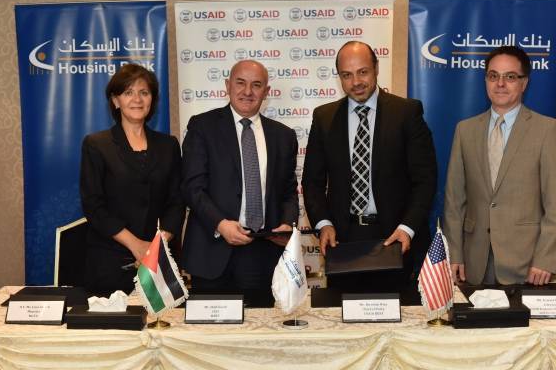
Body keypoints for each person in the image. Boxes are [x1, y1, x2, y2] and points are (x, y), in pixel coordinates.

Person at [302, 41, 437, 290]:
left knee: (395, 312)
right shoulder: (324, 117)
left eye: (362, 72)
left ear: (376, 68)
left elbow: (425, 179)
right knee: (344, 312)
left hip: (395, 240)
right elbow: (312, 182)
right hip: (342, 242)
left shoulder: (407, 112)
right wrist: (323, 224)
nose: (356, 82)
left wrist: (407, 228)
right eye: (347, 75)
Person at [443, 45, 556, 286]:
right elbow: (454, 201)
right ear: (486, 80)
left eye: (510, 77)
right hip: (474, 262)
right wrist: (455, 253)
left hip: (527, 264)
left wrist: (545, 259)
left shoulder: (548, 130)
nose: (500, 83)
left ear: (524, 83)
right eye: (493, 76)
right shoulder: (465, 130)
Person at [181, 59, 298, 292]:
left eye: (256, 85)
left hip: (264, 254)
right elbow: (192, 187)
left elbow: (288, 191)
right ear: (227, 85)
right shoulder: (202, 126)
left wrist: (287, 222)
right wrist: (220, 224)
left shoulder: (283, 136)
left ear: (266, 92)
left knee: (261, 316)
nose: (247, 91)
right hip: (212, 251)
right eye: (240, 83)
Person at [80, 63, 185, 295]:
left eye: (144, 92)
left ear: (152, 100)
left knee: (163, 319)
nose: (137, 99)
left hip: (159, 259)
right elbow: (93, 206)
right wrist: (136, 245)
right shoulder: (97, 145)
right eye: (128, 92)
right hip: (110, 262)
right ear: (115, 100)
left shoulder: (168, 145)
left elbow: (177, 201)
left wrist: (157, 246)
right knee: (115, 320)